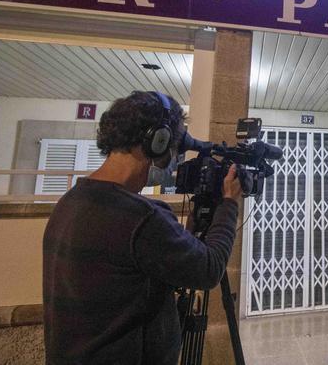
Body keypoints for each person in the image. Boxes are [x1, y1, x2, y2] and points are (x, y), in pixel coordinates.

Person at [42, 91, 242, 364]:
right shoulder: (141, 217)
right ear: (157, 141)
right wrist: (229, 202)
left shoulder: (70, 201)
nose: (173, 159)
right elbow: (209, 270)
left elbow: (154, 264)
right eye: (174, 148)